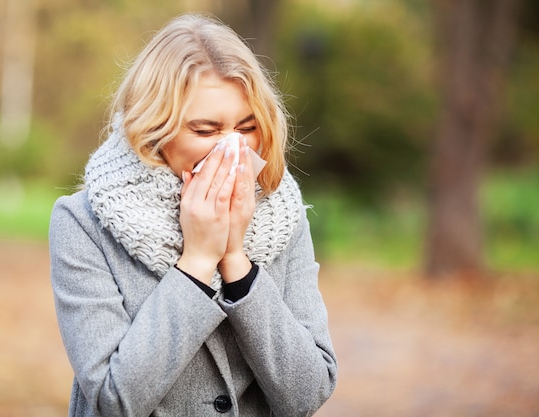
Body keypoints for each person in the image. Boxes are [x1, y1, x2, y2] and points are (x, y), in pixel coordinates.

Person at [49, 13, 337, 417]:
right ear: (154, 131)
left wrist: (237, 260)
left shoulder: (282, 213)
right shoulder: (84, 222)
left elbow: (308, 392)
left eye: (248, 127)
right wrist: (198, 261)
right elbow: (114, 400)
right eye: (206, 131)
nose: (232, 149)